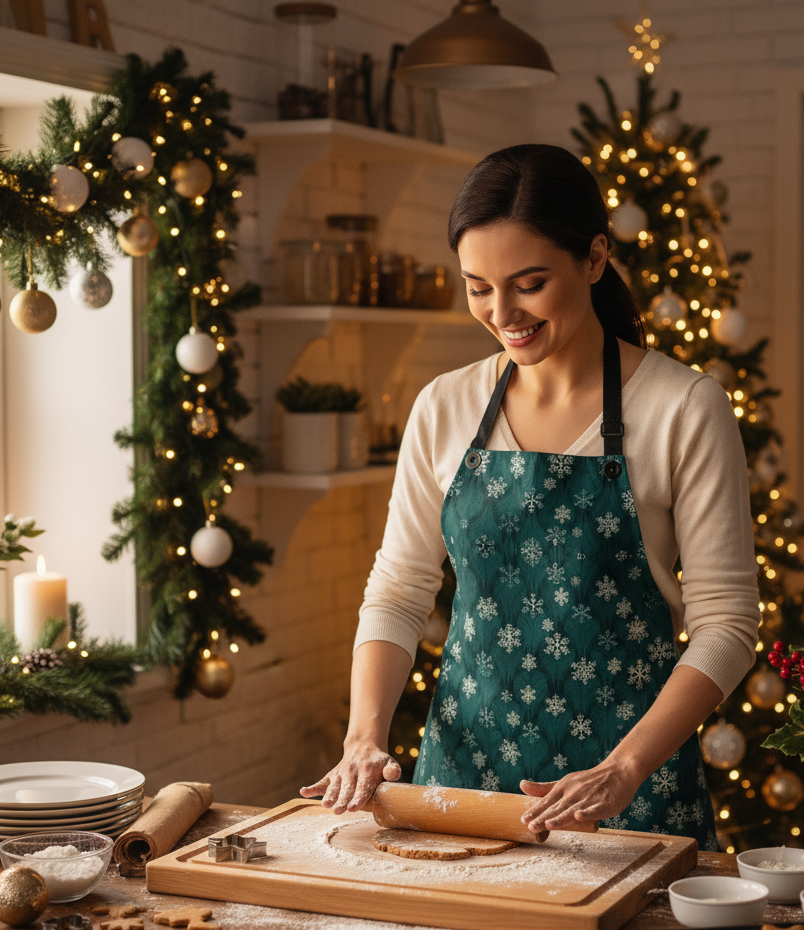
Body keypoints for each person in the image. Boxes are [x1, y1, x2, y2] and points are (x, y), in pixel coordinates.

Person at [301, 144, 759, 851]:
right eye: (477, 286)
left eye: (529, 283)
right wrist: (364, 737)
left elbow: (727, 624)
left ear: (595, 260)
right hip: (462, 787)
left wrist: (622, 768)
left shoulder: (684, 407)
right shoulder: (444, 405)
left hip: (621, 795)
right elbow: (398, 590)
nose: (501, 311)